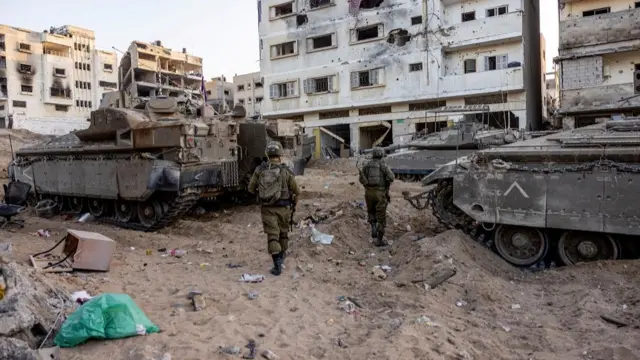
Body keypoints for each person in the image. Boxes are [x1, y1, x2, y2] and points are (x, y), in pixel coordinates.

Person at [248, 142, 300, 276]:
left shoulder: (260, 170)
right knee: (283, 233)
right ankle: (281, 258)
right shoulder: (286, 171)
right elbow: (296, 191)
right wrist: (294, 204)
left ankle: (277, 266)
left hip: (267, 209)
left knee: (272, 236)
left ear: (267, 154)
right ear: (280, 154)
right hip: (284, 208)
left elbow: (250, 188)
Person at [359, 147, 395, 246]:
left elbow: (361, 179)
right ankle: (379, 240)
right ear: (381, 155)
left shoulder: (367, 165)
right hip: (380, 194)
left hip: (368, 193)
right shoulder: (383, 165)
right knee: (381, 217)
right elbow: (392, 177)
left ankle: (373, 225)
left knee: (371, 212)